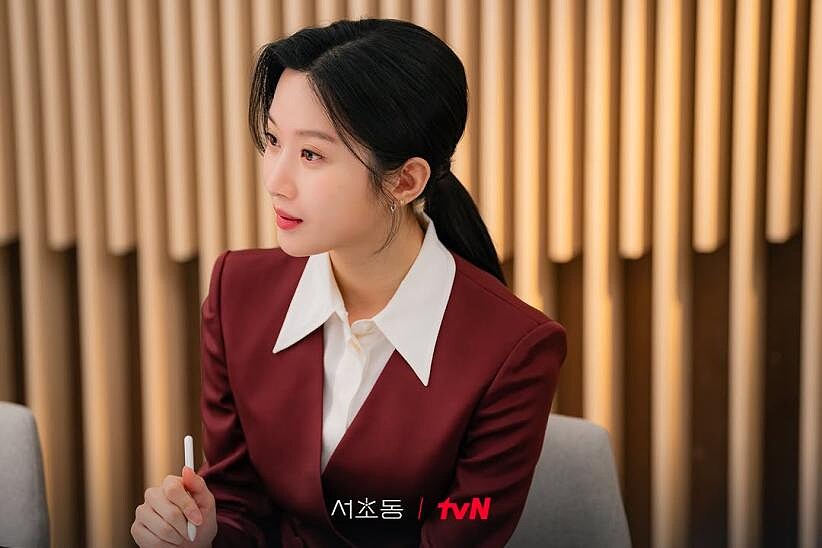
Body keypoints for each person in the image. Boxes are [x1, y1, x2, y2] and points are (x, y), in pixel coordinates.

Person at [132, 17, 567, 548]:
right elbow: (240, 503)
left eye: (311, 154)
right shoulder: (236, 292)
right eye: (273, 140)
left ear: (404, 180)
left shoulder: (515, 351)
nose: (275, 180)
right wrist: (203, 534)